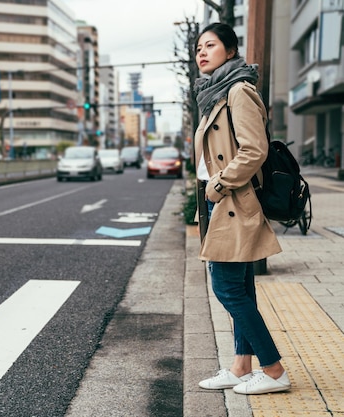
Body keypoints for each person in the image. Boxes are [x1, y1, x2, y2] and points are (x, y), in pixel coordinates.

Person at [192, 22, 291, 395]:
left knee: (227, 288)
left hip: (232, 198)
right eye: (198, 47)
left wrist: (218, 185)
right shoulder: (214, 94)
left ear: (231, 51)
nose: (202, 52)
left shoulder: (239, 91)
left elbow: (254, 149)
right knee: (241, 288)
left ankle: (274, 370)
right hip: (219, 199)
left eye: (210, 45)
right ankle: (240, 366)